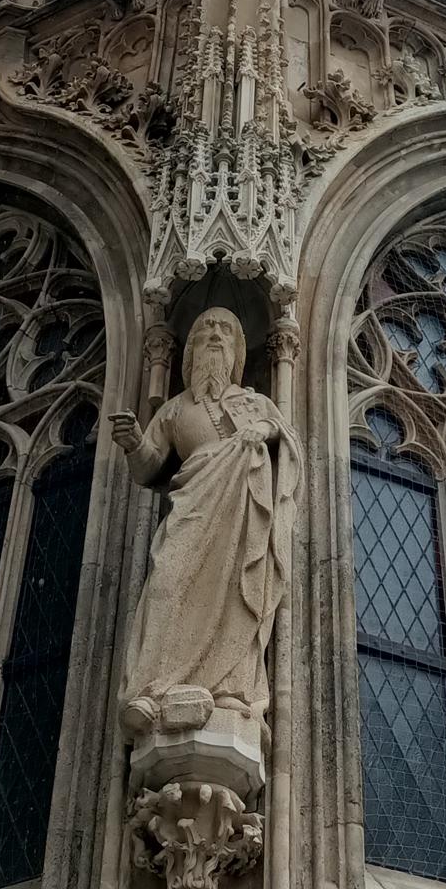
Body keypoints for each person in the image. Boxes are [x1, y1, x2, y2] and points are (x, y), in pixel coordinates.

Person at [111, 309, 302, 750]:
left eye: (225, 331)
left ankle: (230, 689)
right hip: (193, 508)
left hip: (243, 512)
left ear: (237, 352)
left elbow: (287, 443)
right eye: (205, 331)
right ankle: (152, 689)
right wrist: (134, 442)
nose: (215, 336)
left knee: (237, 592)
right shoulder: (175, 409)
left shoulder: (255, 403)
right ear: (191, 351)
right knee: (167, 584)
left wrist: (266, 430)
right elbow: (148, 468)